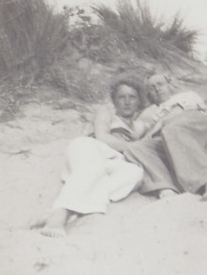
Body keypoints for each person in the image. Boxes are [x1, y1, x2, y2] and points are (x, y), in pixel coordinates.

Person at [34, 76, 148, 235]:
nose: (127, 101)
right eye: (122, 97)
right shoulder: (106, 113)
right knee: (92, 169)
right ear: (114, 101)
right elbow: (102, 136)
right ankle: (59, 215)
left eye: (132, 97)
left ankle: (68, 210)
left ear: (139, 101)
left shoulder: (140, 127)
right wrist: (133, 147)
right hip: (92, 147)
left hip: (116, 160)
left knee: (134, 174)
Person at [119, 73, 207, 201]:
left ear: (169, 85)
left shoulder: (186, 95)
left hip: (191, 123)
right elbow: (136, 130)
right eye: (152, 88)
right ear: (149, 94)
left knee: (170, 129)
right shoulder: (151, 112)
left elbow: (179, 112)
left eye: (160, 84)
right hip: (167, 137)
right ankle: (166, 187)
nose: (157, 89)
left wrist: (160, 124)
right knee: (134, 148)